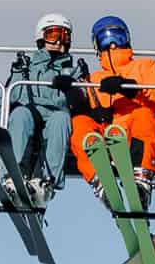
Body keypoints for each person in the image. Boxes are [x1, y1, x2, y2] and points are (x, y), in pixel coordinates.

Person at [71, 15, 155, 198]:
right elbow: (84, 107)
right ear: (97, 46)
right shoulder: (93, 79)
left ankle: (141, 179)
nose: (113, 44)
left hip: (134, 131)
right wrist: (72, 93)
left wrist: (130, 88)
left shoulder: (146, 66)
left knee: (144, 115)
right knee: (80, 123)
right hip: (107, 133)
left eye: (117, 37)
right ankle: (100, 179)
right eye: (105, 39)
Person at [5, 12, 92, 196]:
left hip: (54, 118)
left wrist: (71, 89)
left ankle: (48, 182)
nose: (59, 41)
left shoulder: (74, 71)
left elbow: (85, 102)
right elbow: (2, 106)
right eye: (53, 34)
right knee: (20, 115)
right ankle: (14, 173)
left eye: (65, 35)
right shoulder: (25, 67)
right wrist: (16, 78)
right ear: (41, 37)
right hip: (29, 115)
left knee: (61, 119)